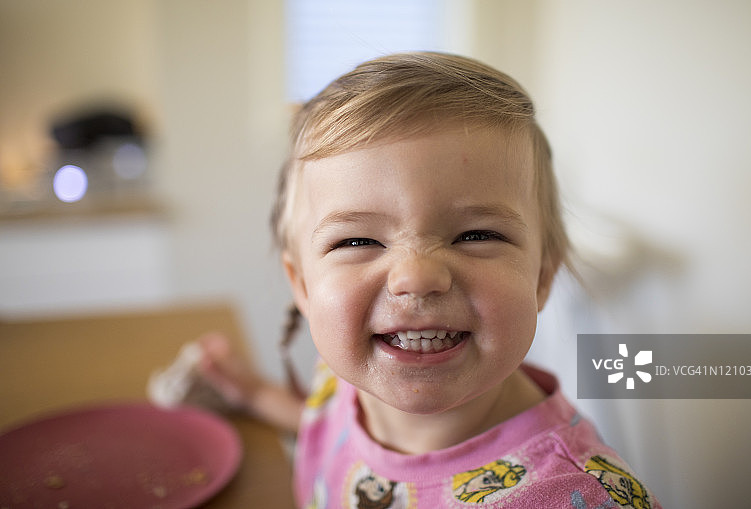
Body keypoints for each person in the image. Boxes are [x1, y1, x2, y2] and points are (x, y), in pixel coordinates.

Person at [194, 52, 662, 508]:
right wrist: (255, 394)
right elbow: (330, 430)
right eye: (357, 242)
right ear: (303, 286)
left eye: (475, 235)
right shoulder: (348, 375)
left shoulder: (573, 496)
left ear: (542, 277)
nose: (416, 277)